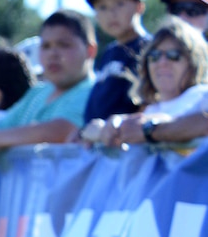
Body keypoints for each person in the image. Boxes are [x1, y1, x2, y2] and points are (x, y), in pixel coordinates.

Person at [0, 10, 95, 162]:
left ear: (90, 51)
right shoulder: (38, 93)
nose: (53, 54)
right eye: (46, 46)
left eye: (64, 45)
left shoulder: (94, 92)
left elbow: (59, 131)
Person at [85, 18, 208, 147]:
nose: (162, 63)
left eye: (173, 55)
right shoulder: (150, 110)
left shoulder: (203, 95)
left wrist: (149, 129)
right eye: (154, 55)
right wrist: (104, 130)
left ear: (194, 62)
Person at [83, 0, 150, 122]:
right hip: (98, 140)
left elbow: (151, 102)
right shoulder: (109, 52)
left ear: (139, 7)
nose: (111, 13)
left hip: (127, 139)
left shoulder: (151, 49)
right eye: (102, 7)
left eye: (119, 4)